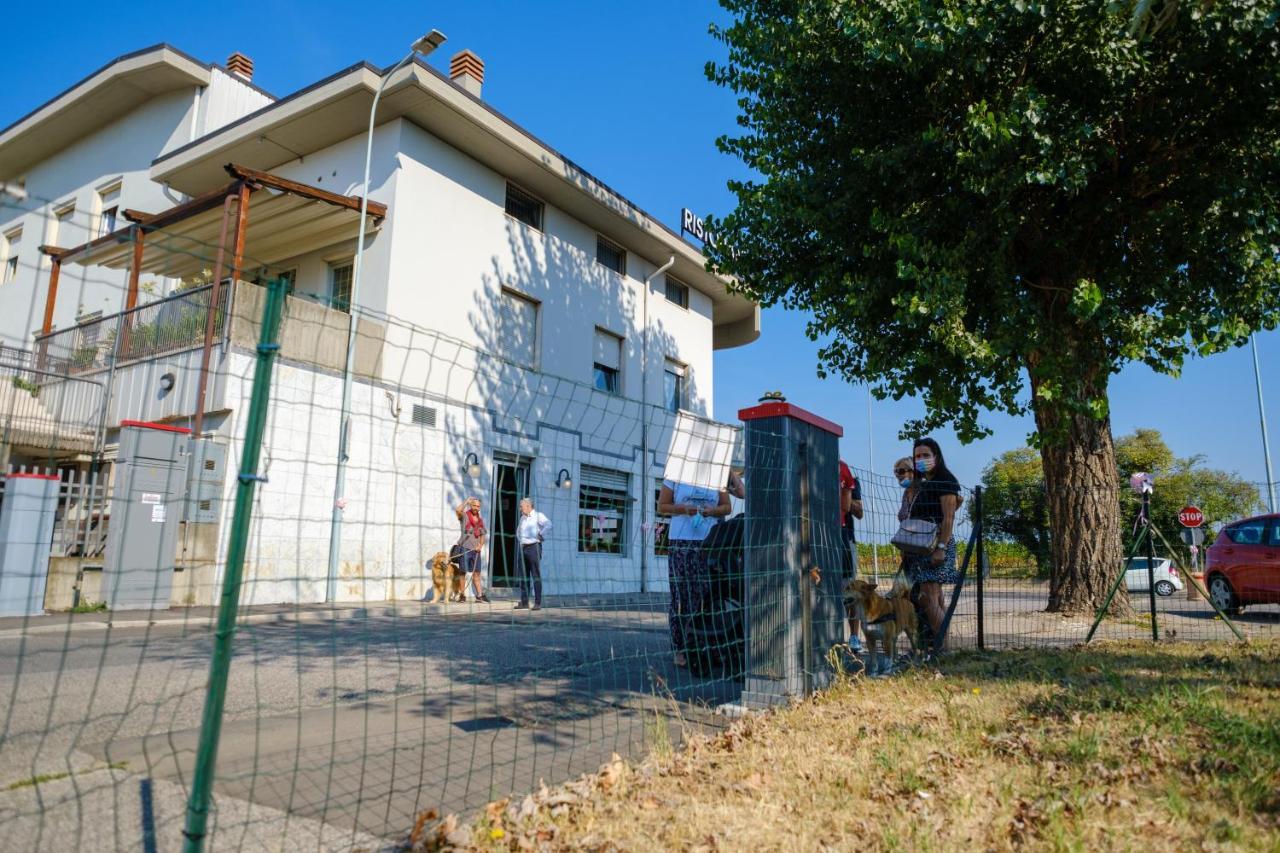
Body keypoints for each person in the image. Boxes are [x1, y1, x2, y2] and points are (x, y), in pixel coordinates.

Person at [658, 478, 732, 668]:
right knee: (681, 597)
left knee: (709, 594)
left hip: (710, 541)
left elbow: (727, 507)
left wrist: (712, 511)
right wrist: (682, 509)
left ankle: (709, 646)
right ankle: (680, 648)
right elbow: (662, 506)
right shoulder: (675, 474)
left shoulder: (717, 473)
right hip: (681, 542)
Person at [898, 438, 961, 648]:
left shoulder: (946, 480)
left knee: (928, 597)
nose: (921, 459)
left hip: (935, 546)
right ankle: (941, 644)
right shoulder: (925, 483)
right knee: (934, 597)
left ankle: (942, 648)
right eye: (917, 456)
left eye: (926, 455)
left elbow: (948, 517)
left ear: (937, 456)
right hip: (921, 547)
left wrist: (941, 548)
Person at [839, 459, 865, 651]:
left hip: (846, 537)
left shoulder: (849, 478)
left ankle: (855, 637)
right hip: (823, 538)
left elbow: (859, 512)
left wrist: (846, 493)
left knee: (849, 588)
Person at [515, 497, 551, 611]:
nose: (520, 508)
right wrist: (520, 540)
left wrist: (541, 534)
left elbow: (549, 524)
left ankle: (537, 602)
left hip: (534, 547)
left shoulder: (538, 516)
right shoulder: (522, 518)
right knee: (523, 576)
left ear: (528, 506)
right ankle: (524, 602)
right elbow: (518, 531)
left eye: (521, 506)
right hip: (523, 548)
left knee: (535, 575)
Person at [455, 497, 490, 603]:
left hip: (476, 551)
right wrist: (466, 501)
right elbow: (458, 510)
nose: (476, 508)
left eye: (478, 506)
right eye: (474, 505)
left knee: (477, 573)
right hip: (465, 549)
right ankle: (462, 595)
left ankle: (479, 596)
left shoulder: (480, 520)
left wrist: (480, 545)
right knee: (462, 573)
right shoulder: (464, 516)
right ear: (471, 505)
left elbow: (483, 535)